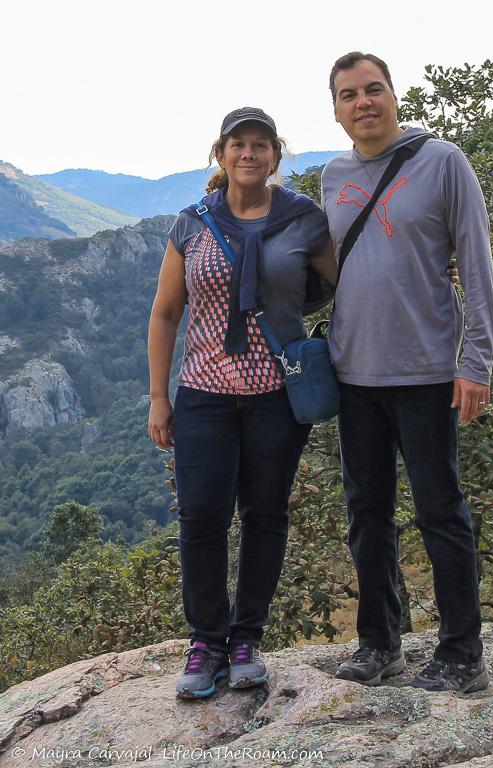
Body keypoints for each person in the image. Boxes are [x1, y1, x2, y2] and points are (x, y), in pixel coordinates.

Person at [147, 107, 337, 699]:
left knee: (264, 513)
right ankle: (207, 641)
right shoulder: (192, 224)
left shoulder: (304, 219)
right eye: (238, 144)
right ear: (221, 153)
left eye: (260, 144)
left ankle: (247, 636)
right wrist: (159, 397)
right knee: (200, 518)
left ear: (276, 155)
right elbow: (166, 311)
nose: (249, 153)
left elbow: (341, 284)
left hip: (275, 396)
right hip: (203, 393)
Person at [323, 52, 493, 694]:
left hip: (427, 372)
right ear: (336, 109)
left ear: (395, 95)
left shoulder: (443, 162)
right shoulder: (333, 176)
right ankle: (379, 643)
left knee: (440, 512)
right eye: (348, 95)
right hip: (354, 375)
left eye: (373, 89)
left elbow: (477, 267)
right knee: (366, 514)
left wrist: (476, 360)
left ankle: (460, 653)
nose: (362, 102)